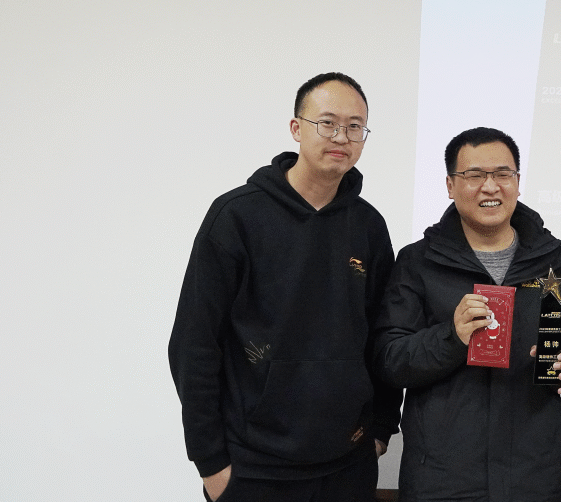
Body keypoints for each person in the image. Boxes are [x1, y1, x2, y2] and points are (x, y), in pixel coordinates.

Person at [169, 72, 401, 502]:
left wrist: (382, 429)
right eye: (327, 123)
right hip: (254, 468)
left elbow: (383, 334)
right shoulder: (236, 217)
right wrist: (211, 463)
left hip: (347, 465)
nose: (342, 136)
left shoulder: (369, 226)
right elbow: (194, 343)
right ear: (296, 128)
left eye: (355, 126)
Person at [375, 127, 561, 502]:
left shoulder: (555, 262)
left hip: (535, 479)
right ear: (450, 185)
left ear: (518, 182)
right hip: (442, 482)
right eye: (474, 175)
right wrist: (452, 336)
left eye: (502, 174)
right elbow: (390, 358)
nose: (490, 187)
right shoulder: (418, 262)